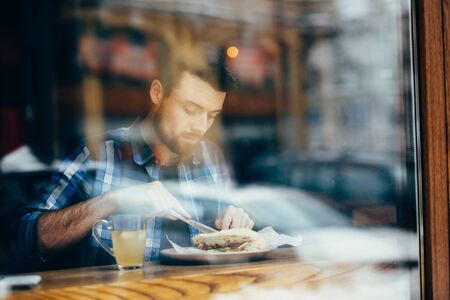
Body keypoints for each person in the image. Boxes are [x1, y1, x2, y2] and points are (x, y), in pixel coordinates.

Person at [12, 57, 254, 268]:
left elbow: (227, 251)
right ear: (157, 93)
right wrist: (115, 200)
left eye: (212, 115)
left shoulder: (211, 159)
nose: (201, 127)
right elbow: (27, 236)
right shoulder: (99, 154)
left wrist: (236, 224)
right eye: (190, 109)